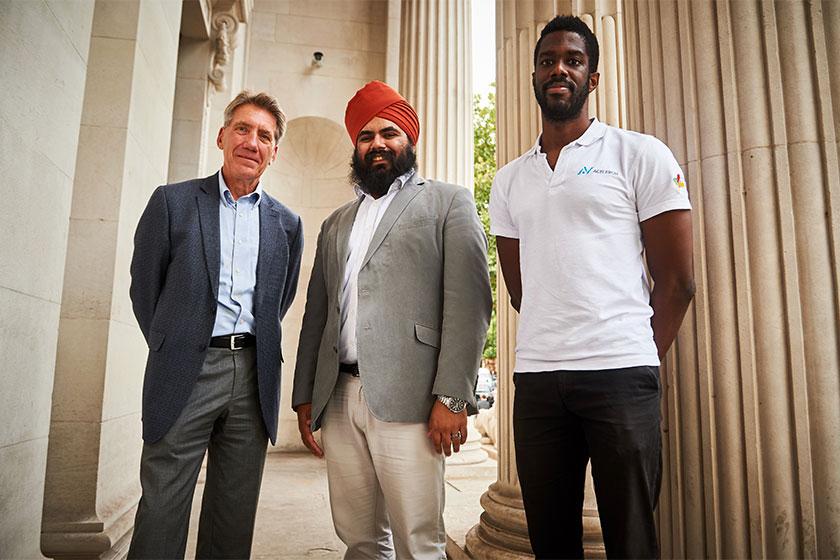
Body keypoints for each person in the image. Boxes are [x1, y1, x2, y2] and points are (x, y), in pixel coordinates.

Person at [489, 15, 695, 559]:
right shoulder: (509, 179)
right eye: (547, 60)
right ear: (534, 76)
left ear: (593, 77)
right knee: (550, 543)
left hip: (621, 376)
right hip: (537, 382)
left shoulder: (639, 154)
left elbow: (677, 282)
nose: (559, 68)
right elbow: (519, 287)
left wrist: (638, 359)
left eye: (573, 60)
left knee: (630, 541)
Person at [292, 80, 491, 559]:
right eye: (365, 135)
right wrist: (304, 395)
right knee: (359, 537)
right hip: (337, 397)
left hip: (413, 399)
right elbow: (317, 314)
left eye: (389, 132)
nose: (377, 143)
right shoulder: (336, 221)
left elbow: (469, 304)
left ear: (410, 140)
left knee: (418, 540)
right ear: (355, 147)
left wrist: (452, 396)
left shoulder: (448, 201)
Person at [128, 90, 303, 559]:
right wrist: (177, 344)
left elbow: (277, 301)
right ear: (222, 136)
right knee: (163, 504)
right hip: (187, 367)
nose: (252, 141)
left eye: (264, 135)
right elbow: (145, 289)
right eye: (243, 129)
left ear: (274, 152)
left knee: (234, 511)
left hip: (252, 376)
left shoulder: (287, 223)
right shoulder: (173, 202)